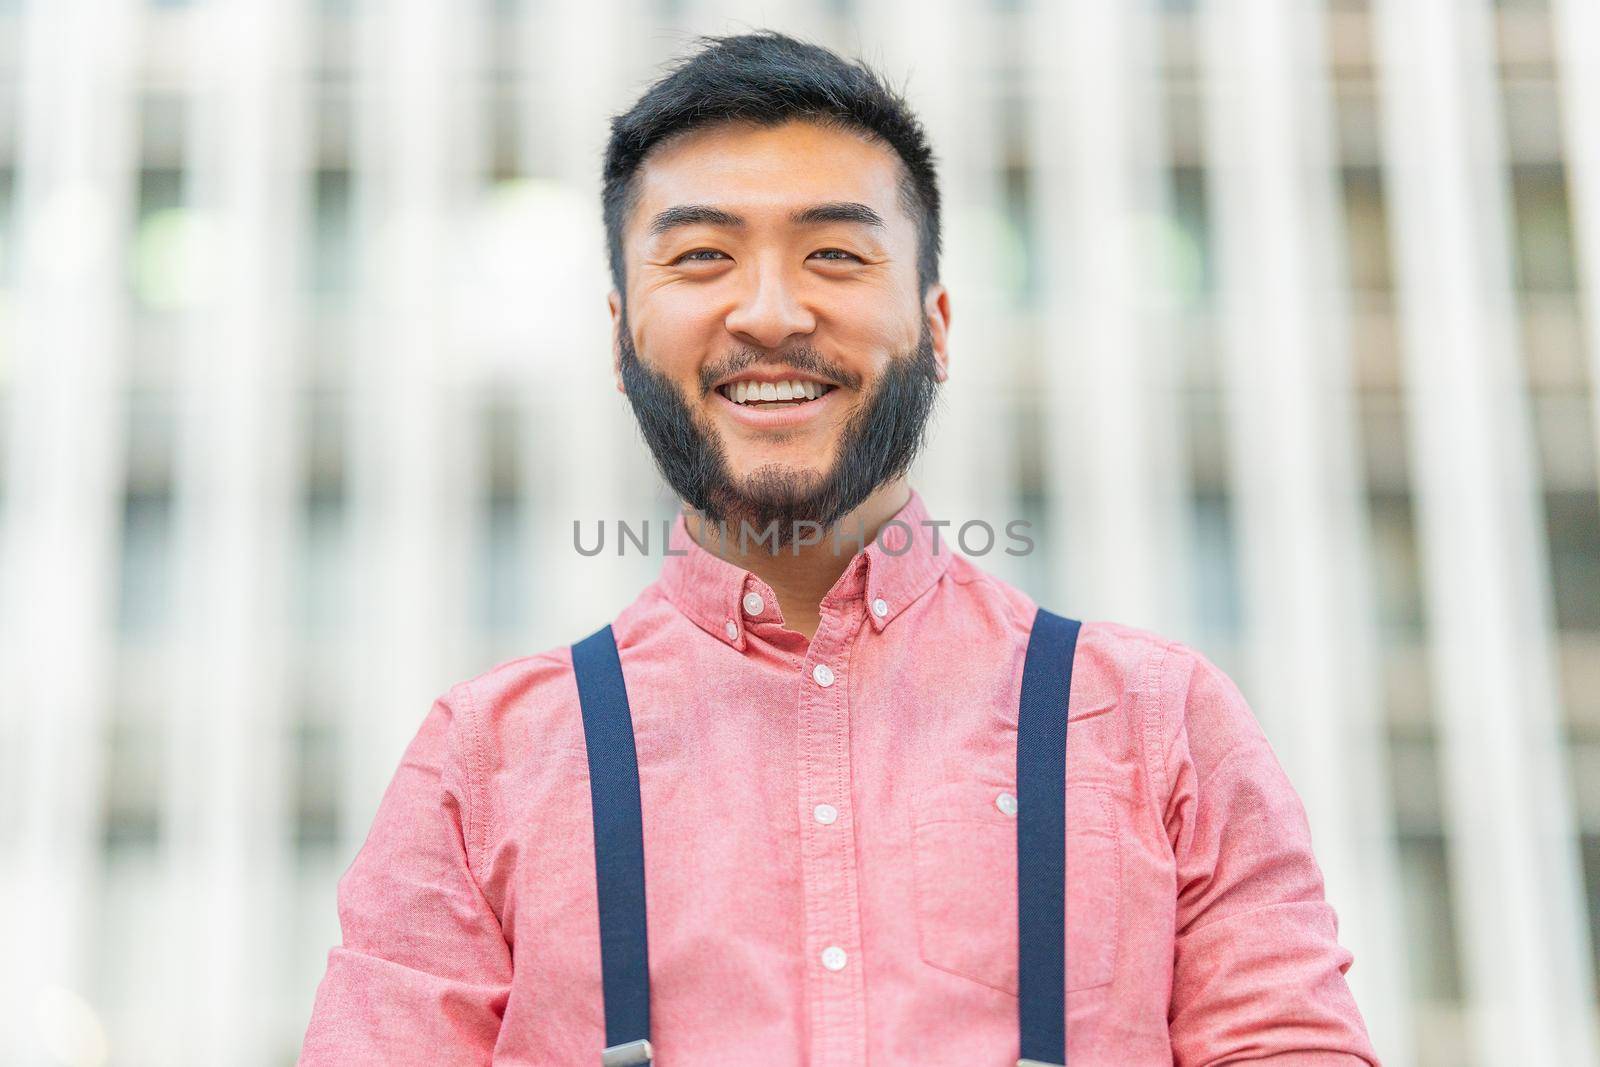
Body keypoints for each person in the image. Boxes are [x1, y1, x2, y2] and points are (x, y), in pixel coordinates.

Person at [299, 30, 1379, 1067]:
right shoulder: (481, 760)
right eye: (703, 255)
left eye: (833, 253)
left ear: (937, 324)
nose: (769, 311)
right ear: (620, 338)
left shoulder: (1159, 724)